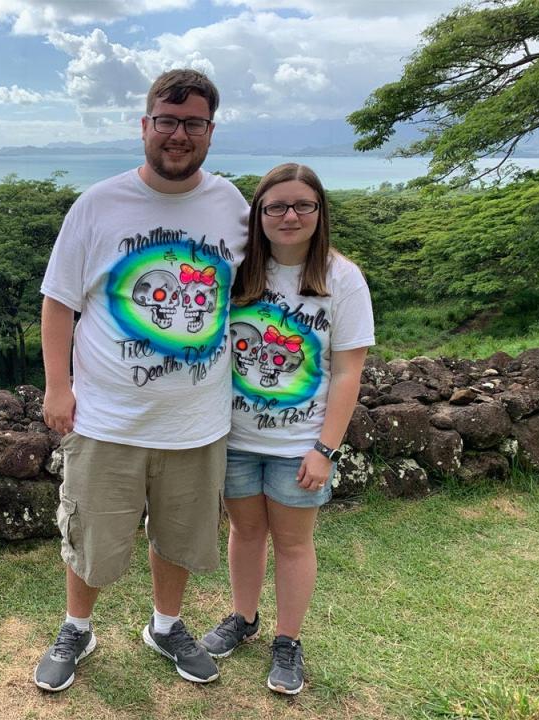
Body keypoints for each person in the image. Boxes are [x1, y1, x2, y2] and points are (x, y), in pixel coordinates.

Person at [33, 69, 249, 692]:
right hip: (107, 416)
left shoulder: (231, 204)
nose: (178, 134)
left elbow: (264, 284)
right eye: (167, 120)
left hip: (198, 418)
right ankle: (77, 628)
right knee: (91, 533)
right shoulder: (98, 204)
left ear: (210, 129)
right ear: (145, 125)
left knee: (180, 535)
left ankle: (166, 624)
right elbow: (58, 302)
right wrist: (58, 387)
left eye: (192, 123)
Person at [198, 163, 374, 694]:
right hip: (235, 437)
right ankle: (244, 618)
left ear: (321, 212)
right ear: (259, 214)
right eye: (275, 206)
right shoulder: (239, 271)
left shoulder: (342, 278)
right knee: (244, 532)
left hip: (300, 443)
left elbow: (348, 372)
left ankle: (288, 641)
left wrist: (325, 448)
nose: (289, 215)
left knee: (294, 545)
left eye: (302, 205)